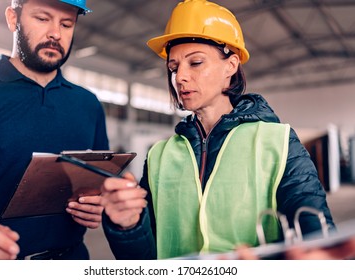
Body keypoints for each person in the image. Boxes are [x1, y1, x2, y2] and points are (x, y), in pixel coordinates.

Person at [100, 0, 349, 260]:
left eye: (195, 63)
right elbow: (142, 262)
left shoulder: (278, 142)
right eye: (174, 68)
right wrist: (127, 226)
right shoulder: (160, 155)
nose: (180, 77)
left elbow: (317, 238)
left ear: (230, 66)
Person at [0, 0, 109, 260]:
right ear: (13, 19)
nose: (56, 33)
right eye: (43, 18)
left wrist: (99, 205)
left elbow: (97, 184)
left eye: (67, 24)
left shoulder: (88, 104)